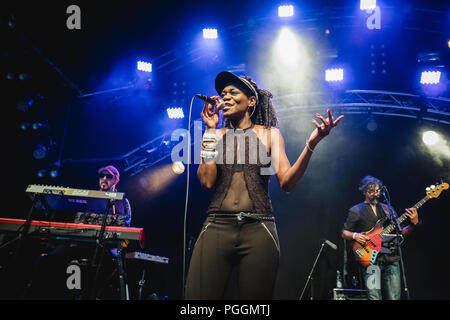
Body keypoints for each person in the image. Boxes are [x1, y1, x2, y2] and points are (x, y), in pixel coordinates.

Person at [184, 71, 343, 299]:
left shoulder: (270, 134)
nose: (225, 96)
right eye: (222, 93)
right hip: (217, 226)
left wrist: (311, 144)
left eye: (233, 92)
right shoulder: (215, 135)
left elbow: (287, 182)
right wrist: (209, 130)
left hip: (258, 229)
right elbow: (206, 181)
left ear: (251, 101)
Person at [25, 165, 131, 299]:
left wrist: (96, 225)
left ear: (116, 180)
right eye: (101, 176)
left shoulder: (122, 202)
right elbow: (79, 221)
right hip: (82, 244)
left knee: (96, 270)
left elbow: (123, 226)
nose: (104, 179)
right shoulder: (89, 198)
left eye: (109, 177)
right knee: (48, 260)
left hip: (105, 248)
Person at [341, 175, 420, 300]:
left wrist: (413, 223)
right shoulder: (356, 210)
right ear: (364, 192)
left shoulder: (388, 209)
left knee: (394, 297)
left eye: (377, 191)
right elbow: (344, 233)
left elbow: (401, 234)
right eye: (371, 191)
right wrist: (355, 235)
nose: (376, 194)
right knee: (374, 298)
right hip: (370, 262)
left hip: (391, 260)